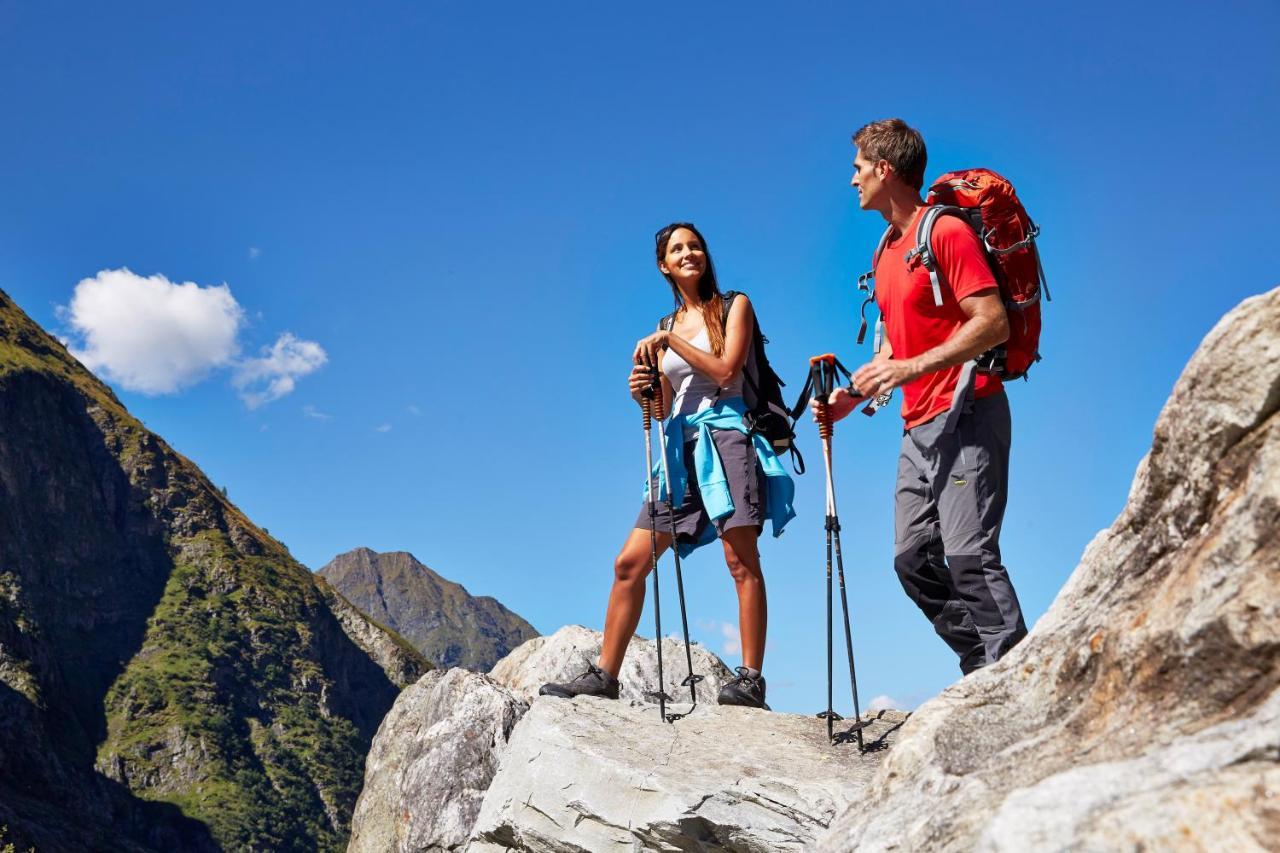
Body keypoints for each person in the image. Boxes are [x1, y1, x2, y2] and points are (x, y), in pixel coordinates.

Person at [540, 222, 794, 709]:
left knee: (741, 561)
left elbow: (725, 370)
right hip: (680, 450)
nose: (688, 253)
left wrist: (668, 343)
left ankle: (751, 677)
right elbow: (663, 407)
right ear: (664, 264)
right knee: (628, 563)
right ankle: (605, 674)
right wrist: (644, 392)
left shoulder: (733, 306)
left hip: (728, 439)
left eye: (695, 245)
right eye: (677, 249)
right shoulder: (669, 327)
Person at [820, 119, 1027, 674]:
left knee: (970, 559)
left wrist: (911, 366)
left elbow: (992, 323)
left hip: (969, 410)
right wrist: (850, 399)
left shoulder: (946, 234)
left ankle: (1012, 680)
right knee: (913, 561)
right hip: (918, 426)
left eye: (859, 167)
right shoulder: (885, 252)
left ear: (885, 170)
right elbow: (898, 350)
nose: (853, 179)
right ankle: (984, 668)